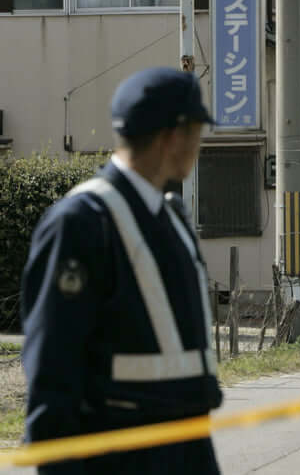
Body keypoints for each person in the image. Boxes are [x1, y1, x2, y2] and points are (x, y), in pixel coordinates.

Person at [21, 67, 222, 474]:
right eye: (198, 132)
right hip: (120, 457)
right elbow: (52, 367)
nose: (200, 144)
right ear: (173, 136)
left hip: (184, 446)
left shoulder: (170, 216)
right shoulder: (81, 221)